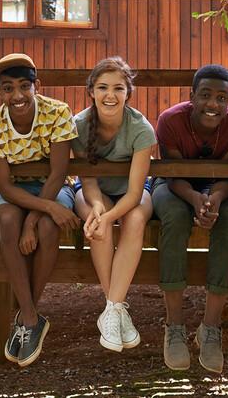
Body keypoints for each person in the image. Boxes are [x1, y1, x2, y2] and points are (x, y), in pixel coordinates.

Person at [0, 53, 80, 367]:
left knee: (49, 228)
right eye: (8, 88)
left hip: (53, 186)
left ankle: (27, 317)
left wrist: (33, 222)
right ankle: (32, 318)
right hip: (18, 193)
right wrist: (36, 215)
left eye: (25, 86)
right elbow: (5, 188)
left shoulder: (58, 112)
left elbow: (58, 172)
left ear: (38, 85)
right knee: (7, 219)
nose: (17, 95)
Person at [152, 64, 228, 373]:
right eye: (205, 95)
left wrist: (215, 200)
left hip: (215, 185)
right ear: (191, 96)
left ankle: (210, 327)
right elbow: (173, 175)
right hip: (172, 183)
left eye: (222, 97)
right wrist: (195, 200)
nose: (213, 104)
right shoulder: (170, 120)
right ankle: (175, 326)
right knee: (175, 216)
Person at [70, 57, 154, 352]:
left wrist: (110, 216)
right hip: (94, 192)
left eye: (118, 88)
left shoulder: (141, 129)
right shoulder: (79, 126)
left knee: (133, 220)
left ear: (128, 93)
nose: (110, 95)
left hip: (131, 193)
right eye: (103, 87)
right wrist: (97, 209)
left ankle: (111, 309)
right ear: (91, 91)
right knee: (98, 223)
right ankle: (116, 309)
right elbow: (88, 180)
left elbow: (133, 193)